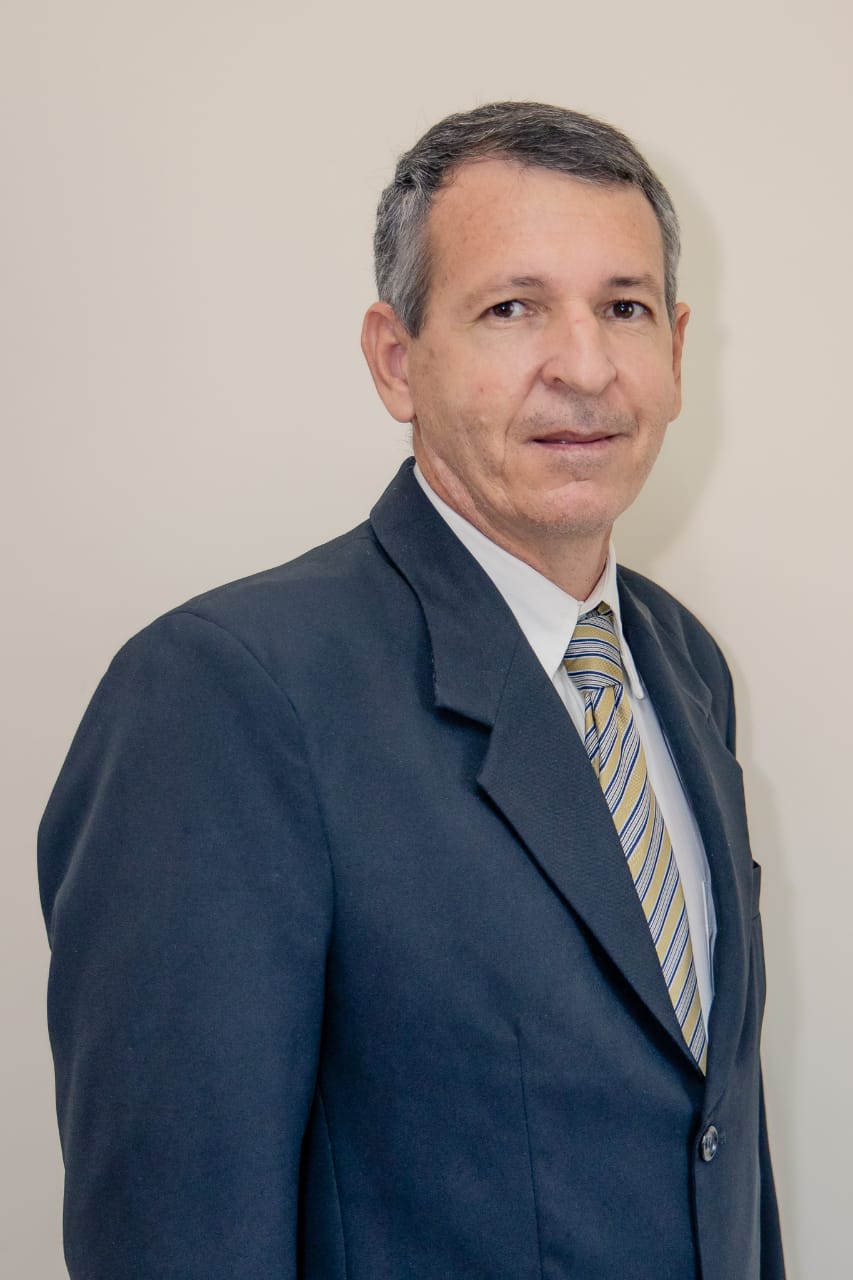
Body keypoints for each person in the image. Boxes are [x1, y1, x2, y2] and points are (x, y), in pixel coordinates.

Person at [39, 101, 785, 1279]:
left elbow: (710, 1134)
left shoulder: (683, 663)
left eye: (623, 307)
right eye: (512, 308)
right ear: (397, 359)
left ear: (678, 351)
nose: (585, 366)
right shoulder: (227, 695)